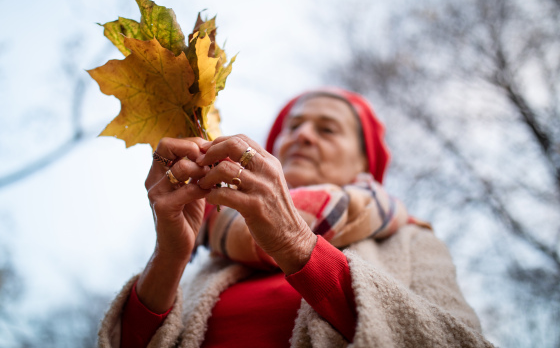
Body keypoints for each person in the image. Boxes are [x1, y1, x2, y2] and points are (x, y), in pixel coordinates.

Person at [98, 87, 493, 348]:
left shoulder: (410, 241)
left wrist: (295, 242)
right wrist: (169, 255)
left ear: (363, 162)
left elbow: (457, 340)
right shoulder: (219, 249)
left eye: (327, 129)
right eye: (294, 126)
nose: (303, 135)